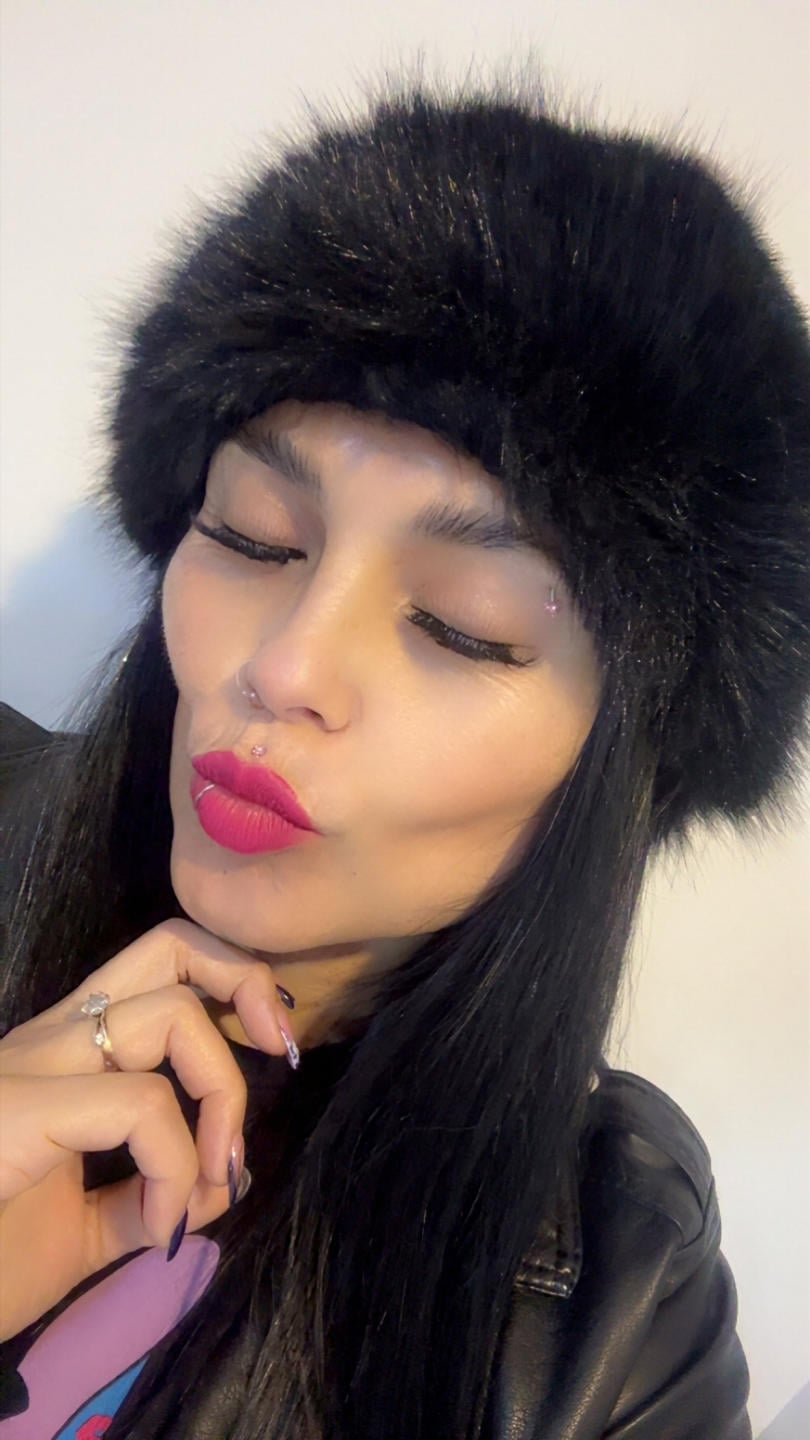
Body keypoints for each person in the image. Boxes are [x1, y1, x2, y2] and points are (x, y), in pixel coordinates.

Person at [1, 68, 808, 1440]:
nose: (286, 668)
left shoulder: (617, 1304)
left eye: (463, 624)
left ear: (621, 766)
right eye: (252, 535)